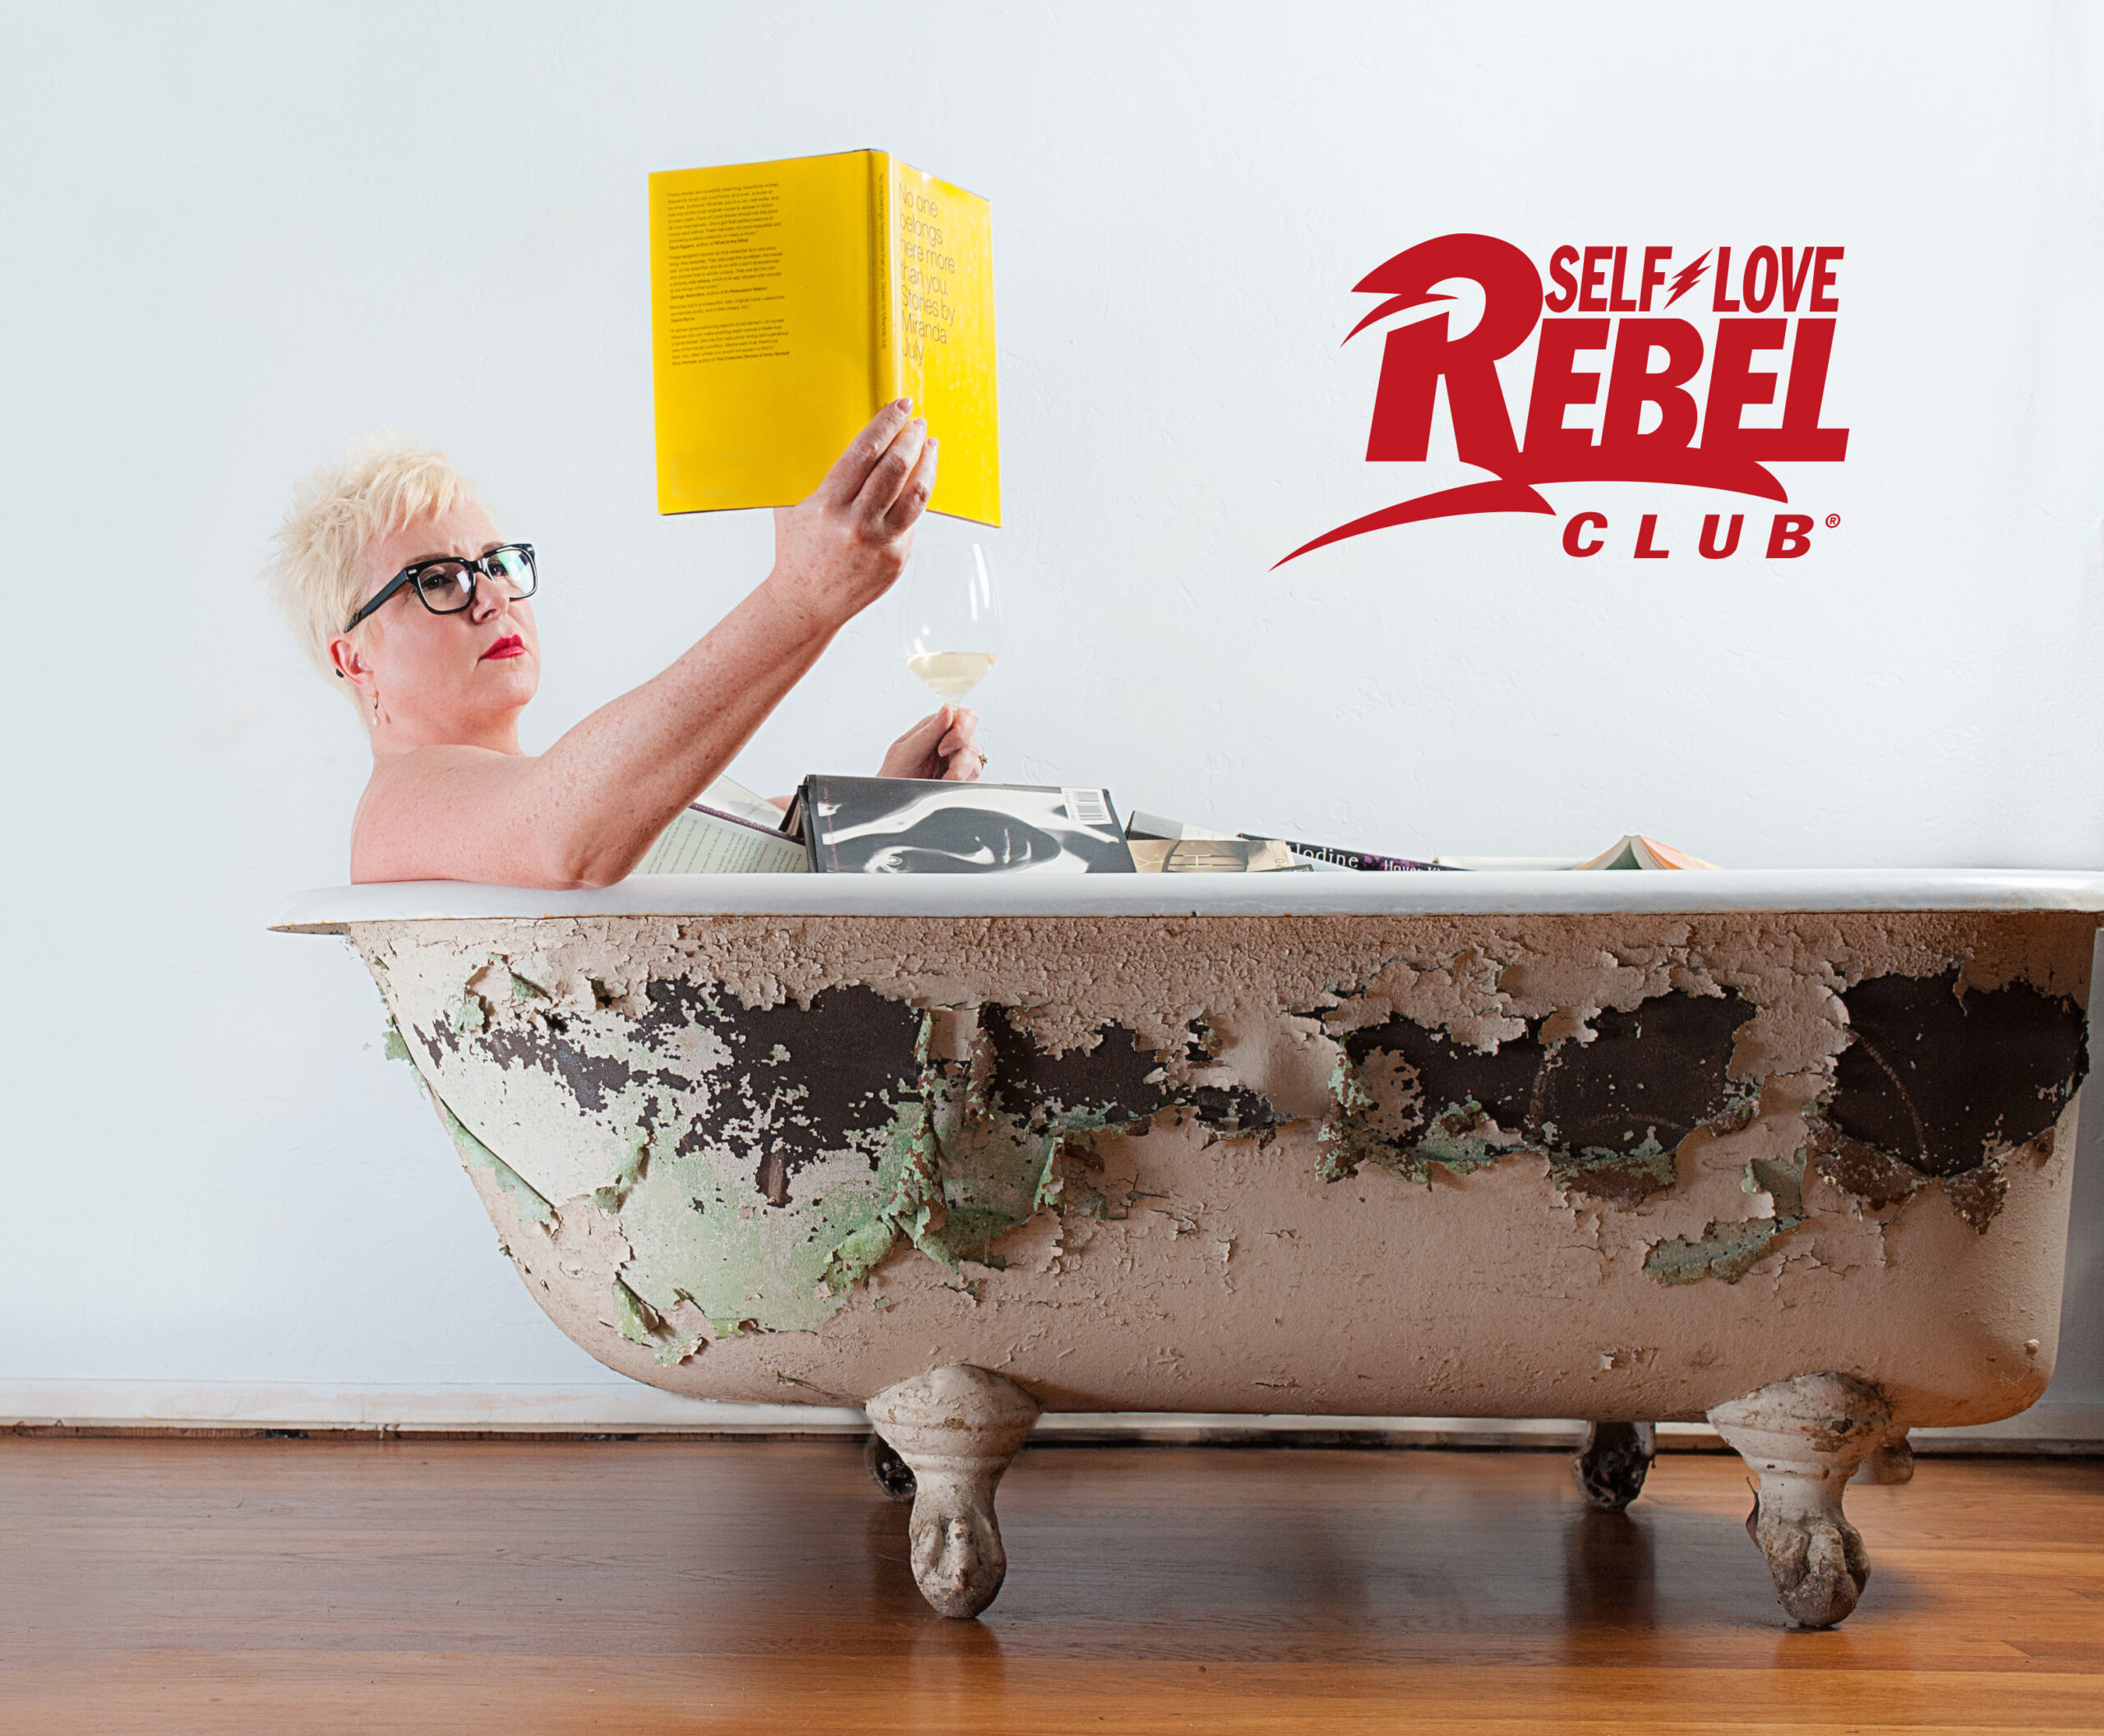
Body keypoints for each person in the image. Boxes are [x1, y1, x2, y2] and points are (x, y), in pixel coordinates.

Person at [265, 400, 982, 887]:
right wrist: (799, 600)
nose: (491, 598)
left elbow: (721, 851)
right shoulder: (399, 804)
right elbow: (564, 837)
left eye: (496, 564)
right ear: (354, 659)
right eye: (437, 580)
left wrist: (880, 815)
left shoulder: (571, 792)